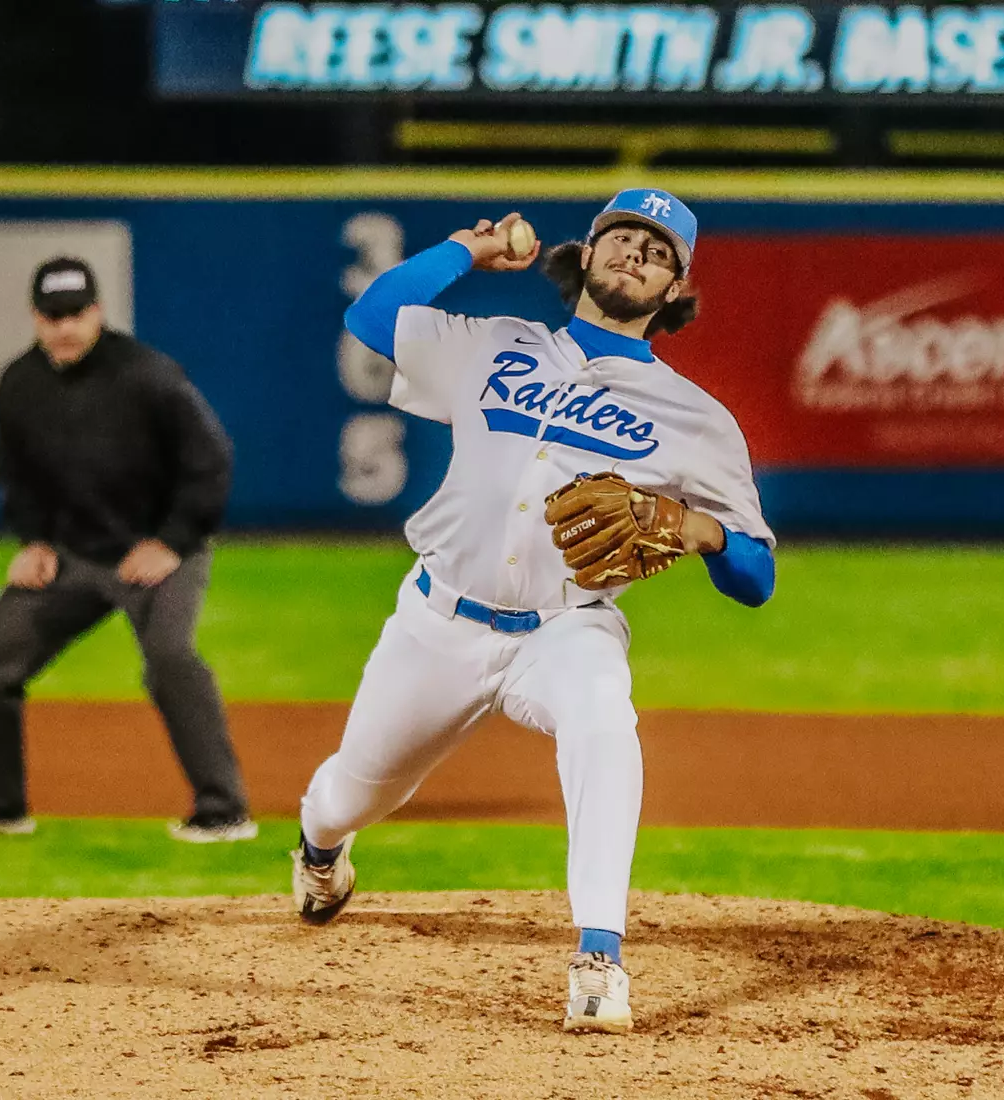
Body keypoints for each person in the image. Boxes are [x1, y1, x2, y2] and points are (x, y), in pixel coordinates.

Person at [292, 190, 775, 1034]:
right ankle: (320, 852)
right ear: (584, 255)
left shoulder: (699, 421)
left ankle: (600, 956)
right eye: (621, 237)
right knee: (347, 796)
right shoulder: (492, 344)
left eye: (657, 252)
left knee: (604, 717)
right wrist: (466, 251)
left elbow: (756, 576)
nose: (635, 254)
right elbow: (371, 319)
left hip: (565, 626)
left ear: (674, 288)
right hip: (438, 623)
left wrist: (701, 530)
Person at [0, 258, 254, 843]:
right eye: (53, 315)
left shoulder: (149, 375)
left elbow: (210, 461)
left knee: (170, 658)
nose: (65, 327)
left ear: (99, 312)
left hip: (157, 554)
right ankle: (0, 806)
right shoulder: (21, 383)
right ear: (35, 317)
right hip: (74, 555)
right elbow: (14, 472)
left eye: (76, 313)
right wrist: (34, 540)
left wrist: (171, 542)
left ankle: (223, 811)